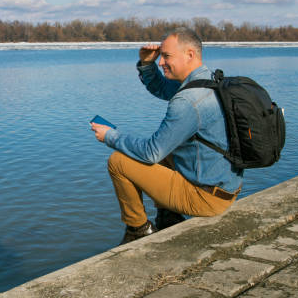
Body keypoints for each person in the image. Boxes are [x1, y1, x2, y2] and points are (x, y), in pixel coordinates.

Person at [90, 27, 243, 245]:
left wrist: (110, 136)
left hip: (206, 198)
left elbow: (152, 152)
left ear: (190, 54)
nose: (161, 62)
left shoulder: (188, 101)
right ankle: (168, 216)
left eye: (166, 56)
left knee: (119, 161)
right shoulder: (211, 80)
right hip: (225, 187)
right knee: (167, 145)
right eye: (161, 56)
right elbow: (162, 88)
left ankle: (138, 229)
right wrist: (146, 64)